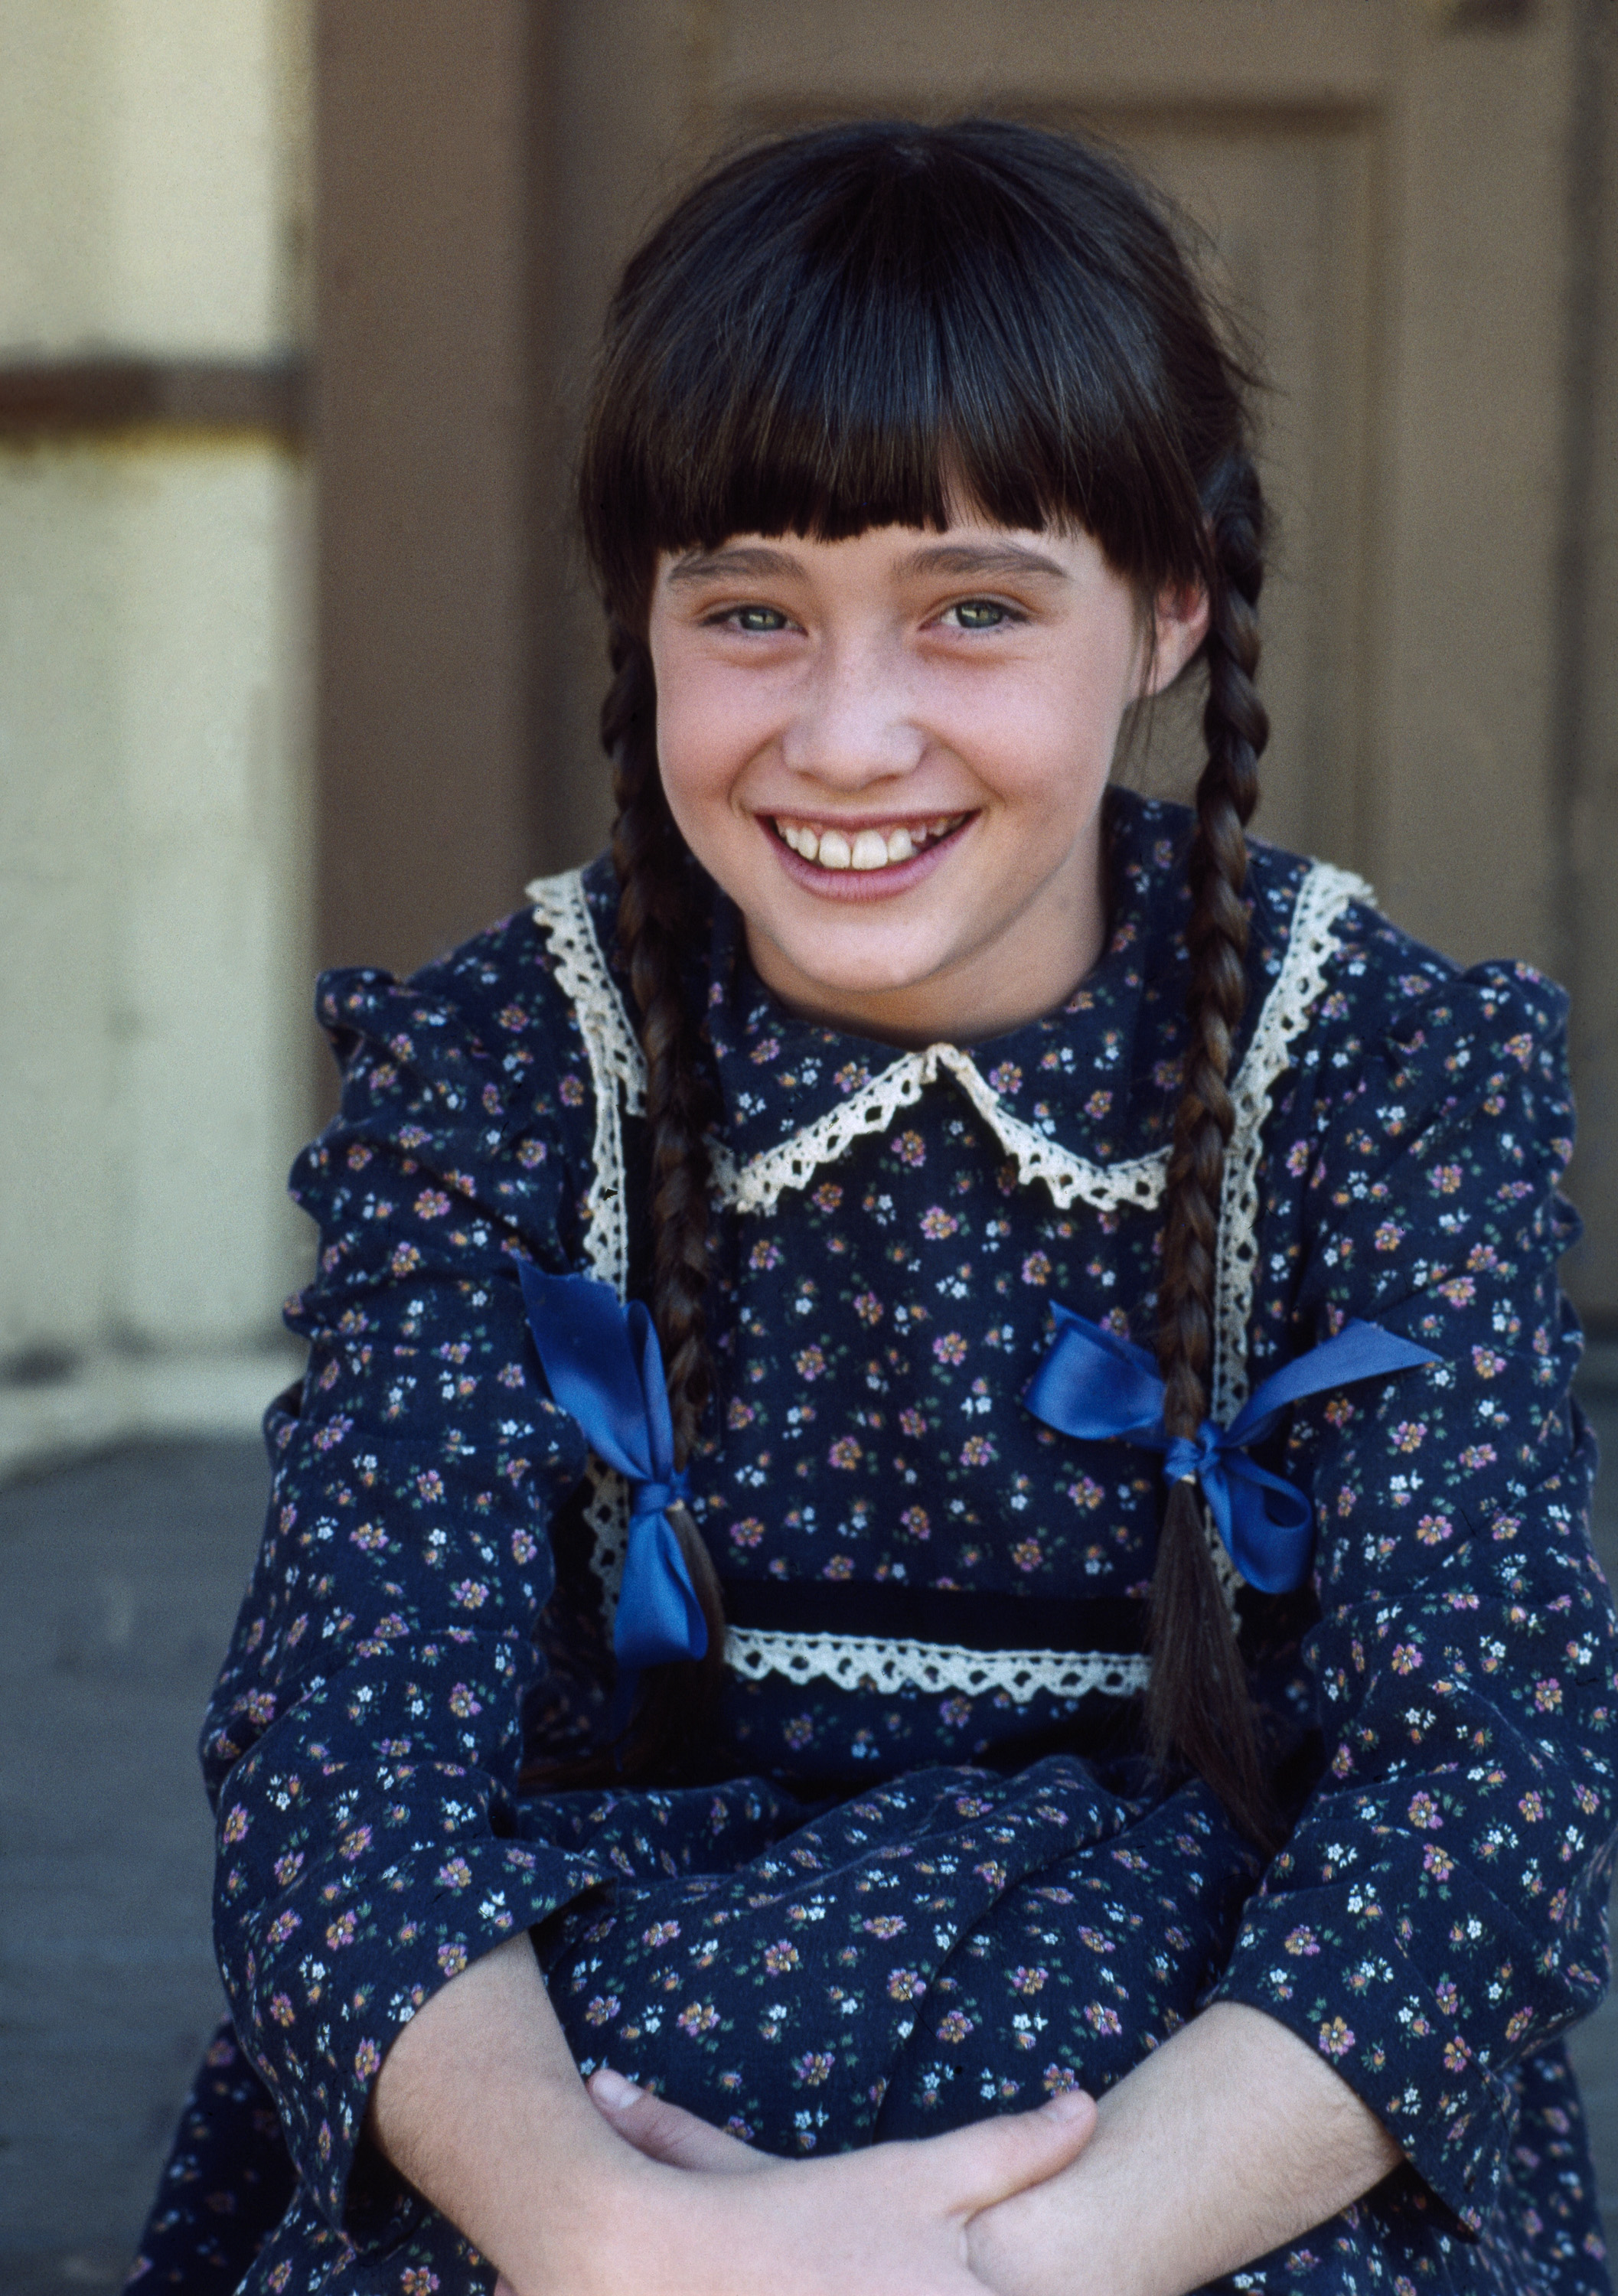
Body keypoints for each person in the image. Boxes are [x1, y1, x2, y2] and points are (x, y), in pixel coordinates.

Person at [128, 118, 1617, 2296]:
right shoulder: (505, 1073)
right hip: (625, 2076)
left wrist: (1044, 2257)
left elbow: (1490, 1782)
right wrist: (609, 2234)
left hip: (1188, 2100)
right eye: (750, 609)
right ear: (641, 616)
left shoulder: (1376, 1078)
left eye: (973, 611)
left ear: (1172, 607)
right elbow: (344, 1758)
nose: (845, 735)